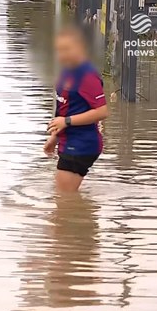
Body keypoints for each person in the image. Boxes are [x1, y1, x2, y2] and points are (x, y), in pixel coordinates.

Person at [44, 26, 109, 192]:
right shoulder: (66, 72)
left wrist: (66, 122)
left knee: (62, 204)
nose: (62, 54)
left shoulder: (87, 75)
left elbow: (102, 112)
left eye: (67, 49)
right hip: (69, 142)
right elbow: (64, 107)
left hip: (82, 145)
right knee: (66, 202)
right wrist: (54, 137)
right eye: (59, 50)